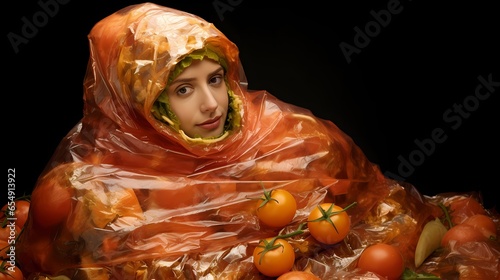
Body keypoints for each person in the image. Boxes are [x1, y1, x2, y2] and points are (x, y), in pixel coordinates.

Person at [16, 3, 498, 279]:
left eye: (216, 79)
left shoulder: (292, 137)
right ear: (133, 99)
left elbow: (376, 206)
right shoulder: (92, 185)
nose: (212, 104)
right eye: (183, 89)